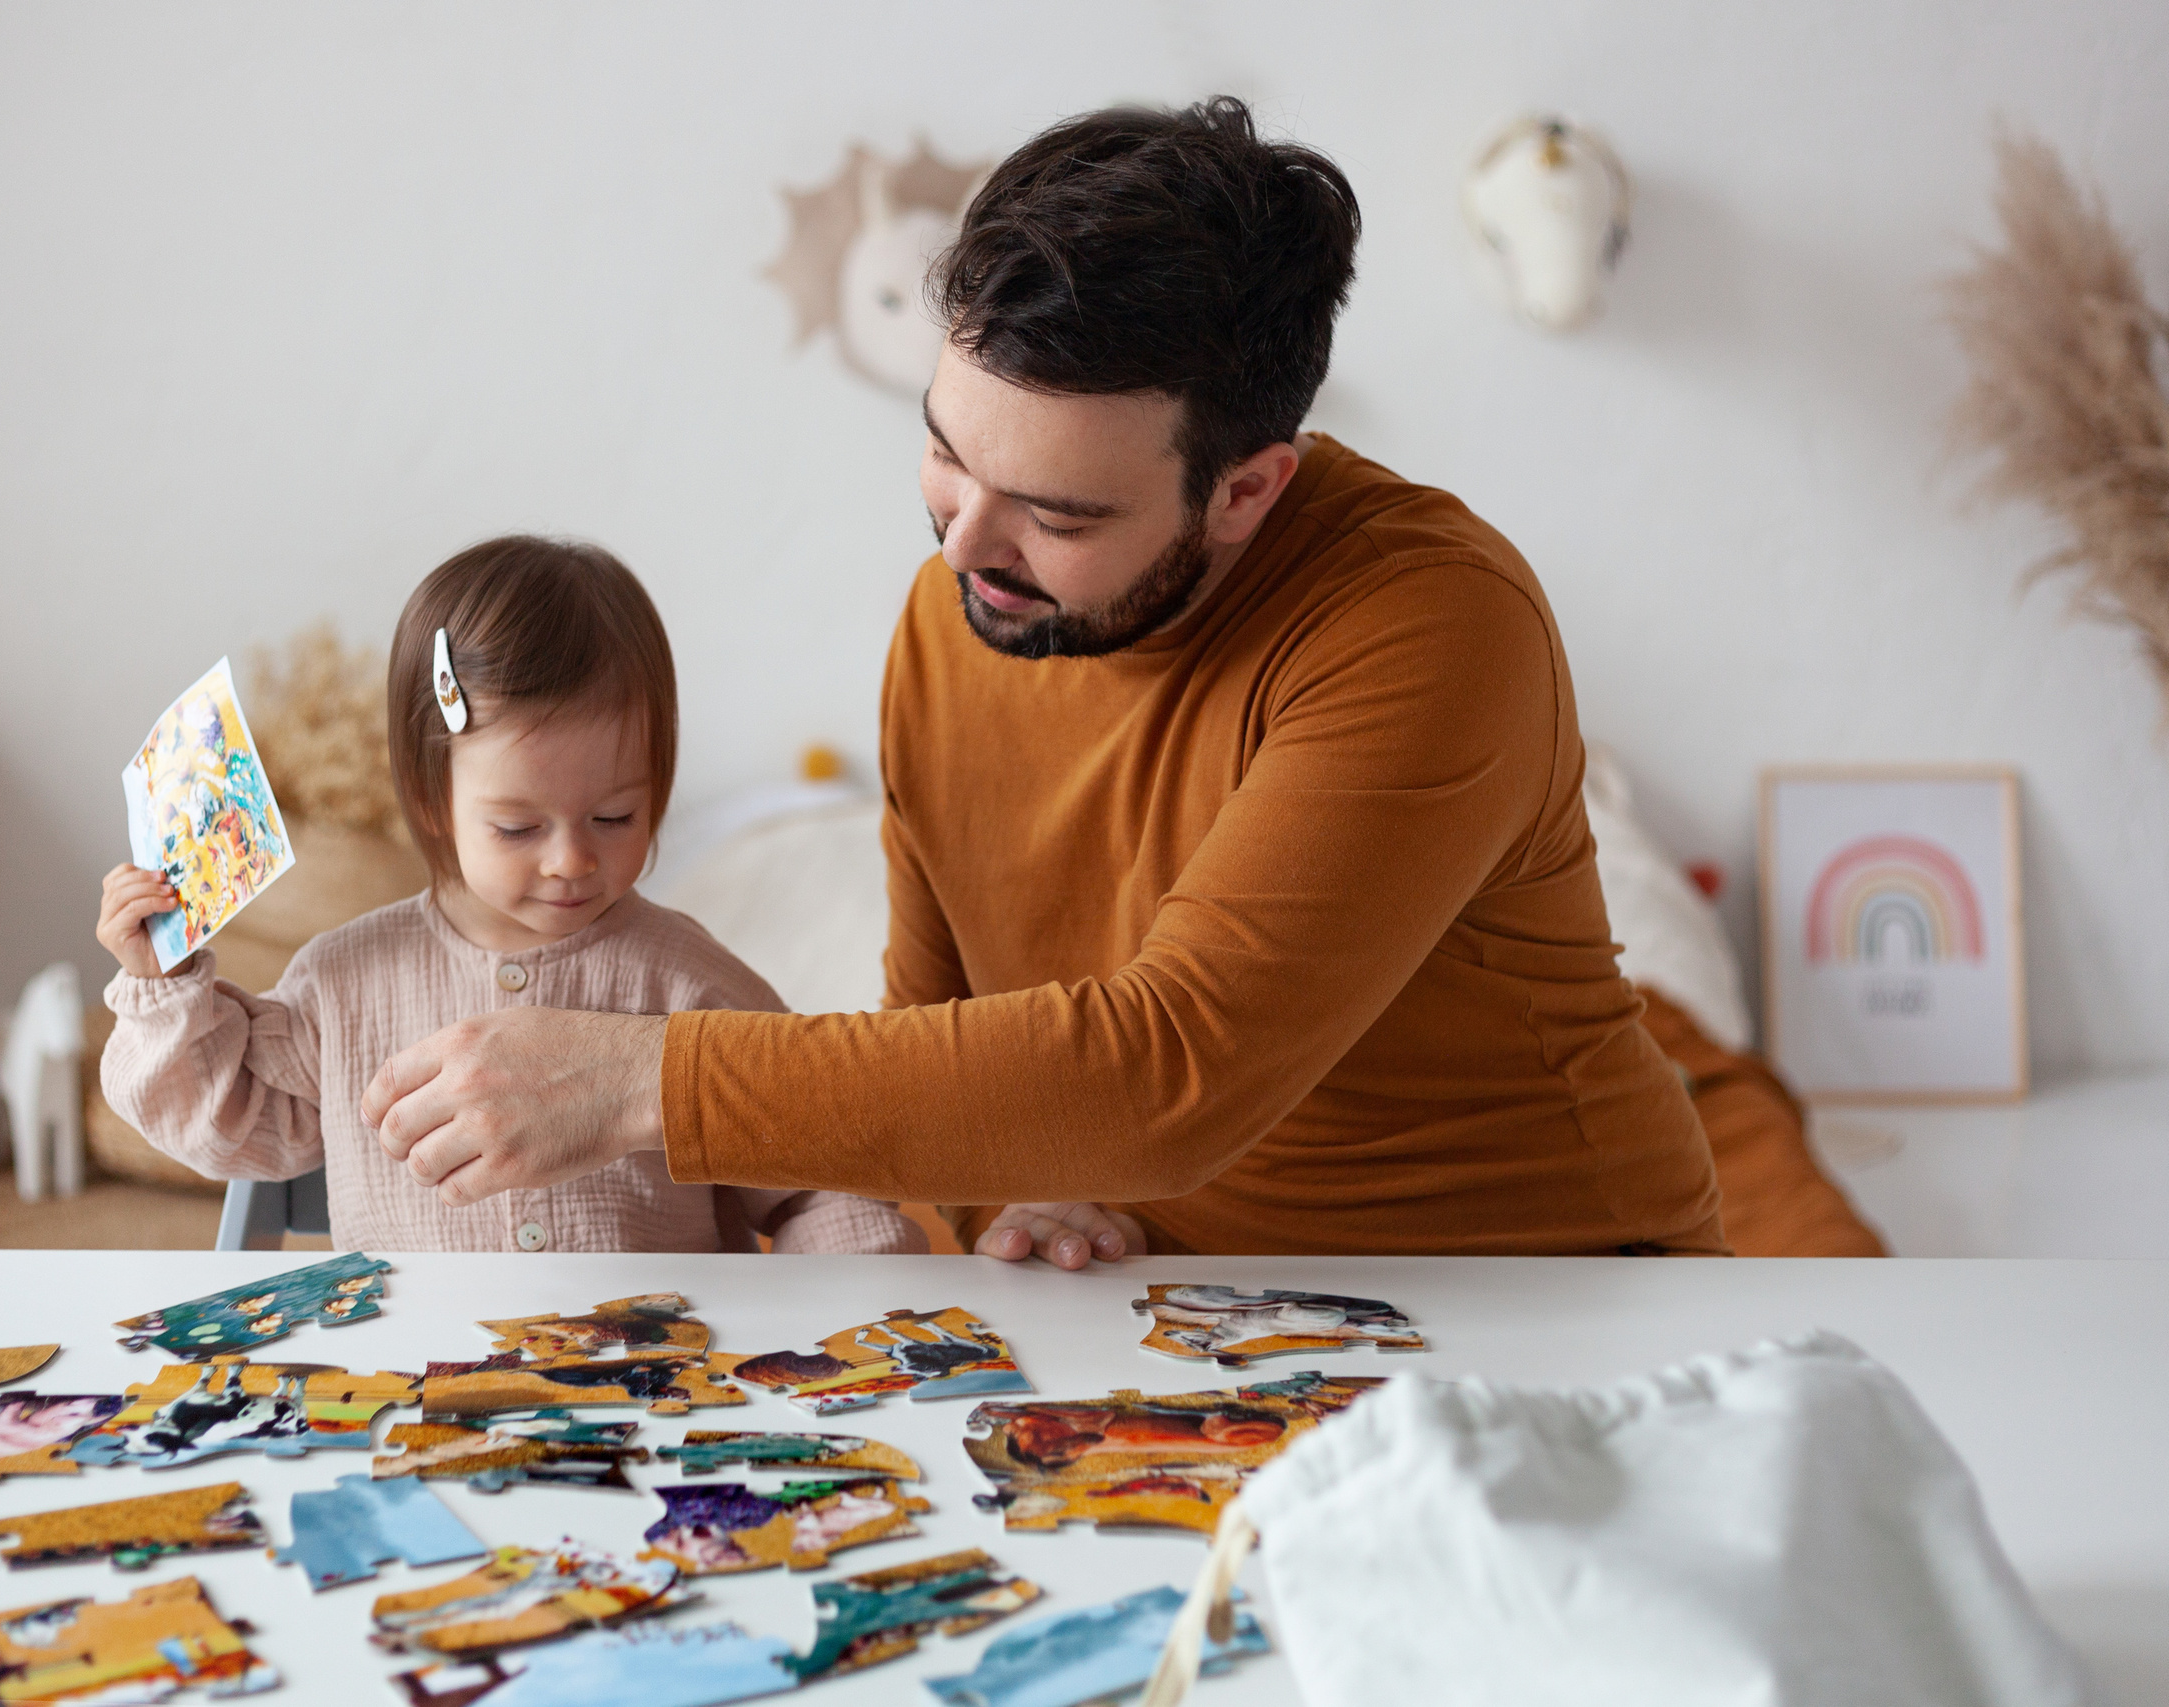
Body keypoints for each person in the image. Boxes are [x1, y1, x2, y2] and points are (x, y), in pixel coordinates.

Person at [355, 100, 1727, 1265]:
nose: (962, 543)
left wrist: (639, 1079)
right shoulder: (961, 612)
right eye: (947, 450)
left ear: (1246, 489)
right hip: (1155, 1313)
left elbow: (1169, 1065)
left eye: (1057, 513)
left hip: (1538, 1292)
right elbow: (941, 1034)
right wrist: (1018, 1185)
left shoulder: (1431, 624)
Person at [96, 535, 924, 1256]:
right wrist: (162, 985)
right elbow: (219, 1121)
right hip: (414, 1389)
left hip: (656, 1396)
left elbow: (822, 1176)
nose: (570, 859)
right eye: (519, 827)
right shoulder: (344, 981)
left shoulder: (688, 980)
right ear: (432, 801)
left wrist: (851, 1301)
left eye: (614, 815)